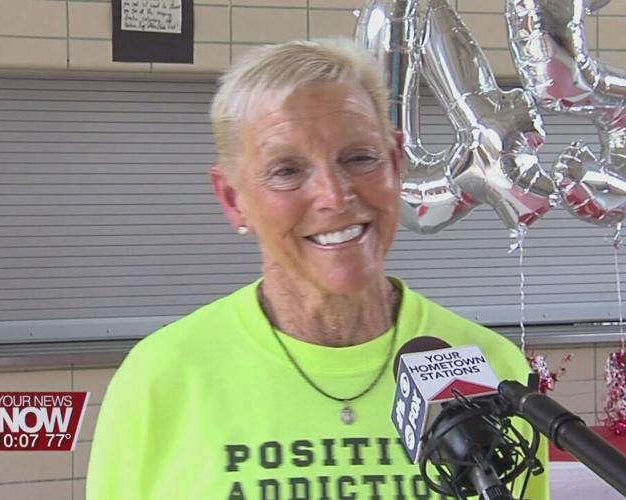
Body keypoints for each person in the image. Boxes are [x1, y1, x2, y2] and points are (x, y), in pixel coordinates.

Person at [86, 38, 550, 500]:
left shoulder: (493, 370)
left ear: (394, 164)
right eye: (286, 170)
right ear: (233, 199)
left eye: (359, 158)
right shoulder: (159, 380)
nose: (334, 195)